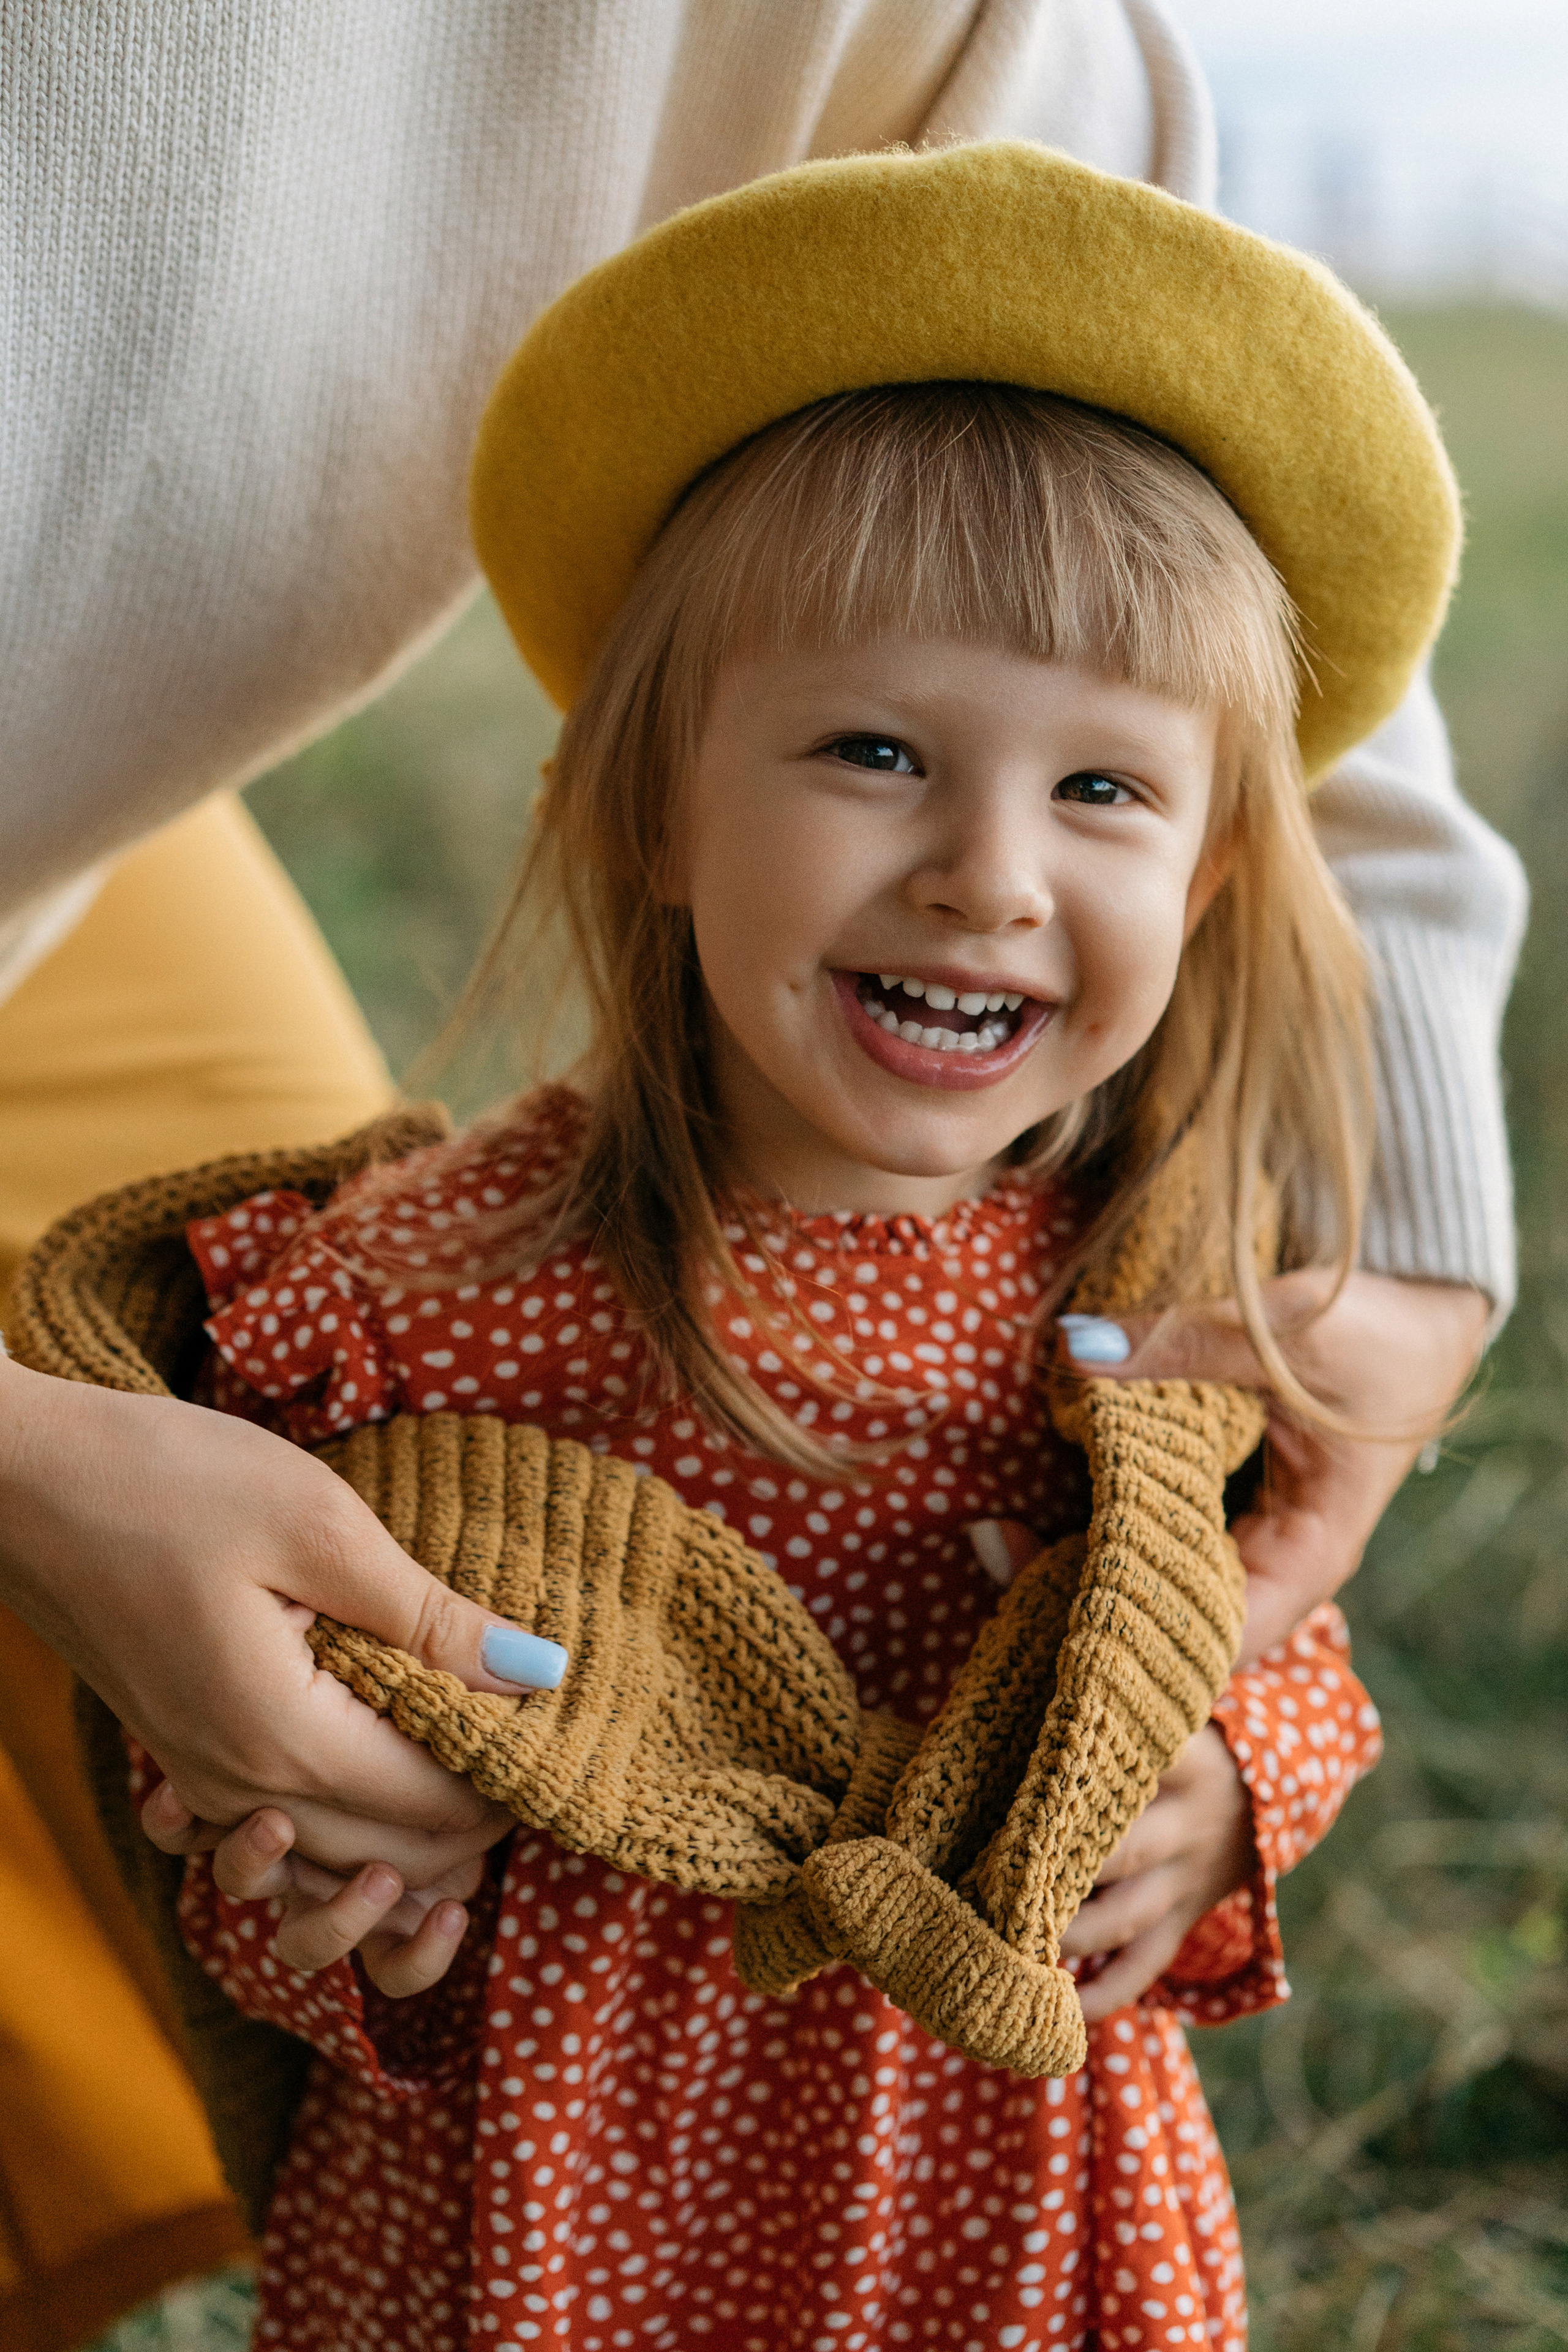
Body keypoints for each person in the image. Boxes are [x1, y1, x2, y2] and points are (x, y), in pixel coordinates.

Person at [0, 4, 1522, 2340]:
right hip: (543, 2211)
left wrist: (1232, 1794)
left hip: (1000, 2217)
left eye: (1105, 794)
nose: (990, 877)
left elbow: (1243, 1641)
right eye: (877, 752)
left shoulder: (1147, 1309)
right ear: (648, 812)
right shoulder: (414, 1289)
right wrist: (347, 1849)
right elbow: (247, 1779)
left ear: (1215, 880)